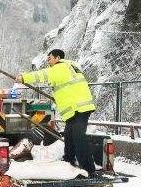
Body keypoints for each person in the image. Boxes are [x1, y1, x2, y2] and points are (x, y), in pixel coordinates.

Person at [15, 49, 97, 177]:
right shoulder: (70, 67)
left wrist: (23, 78)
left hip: (78, 109)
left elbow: (42, 75)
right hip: (75, 109)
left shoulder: (60, 67)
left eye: (50, 58)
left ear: (57, 58)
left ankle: (89, 170)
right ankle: (68, 163)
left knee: (79, 139)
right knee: (69, 138)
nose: (48, 61)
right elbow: (67, 87)